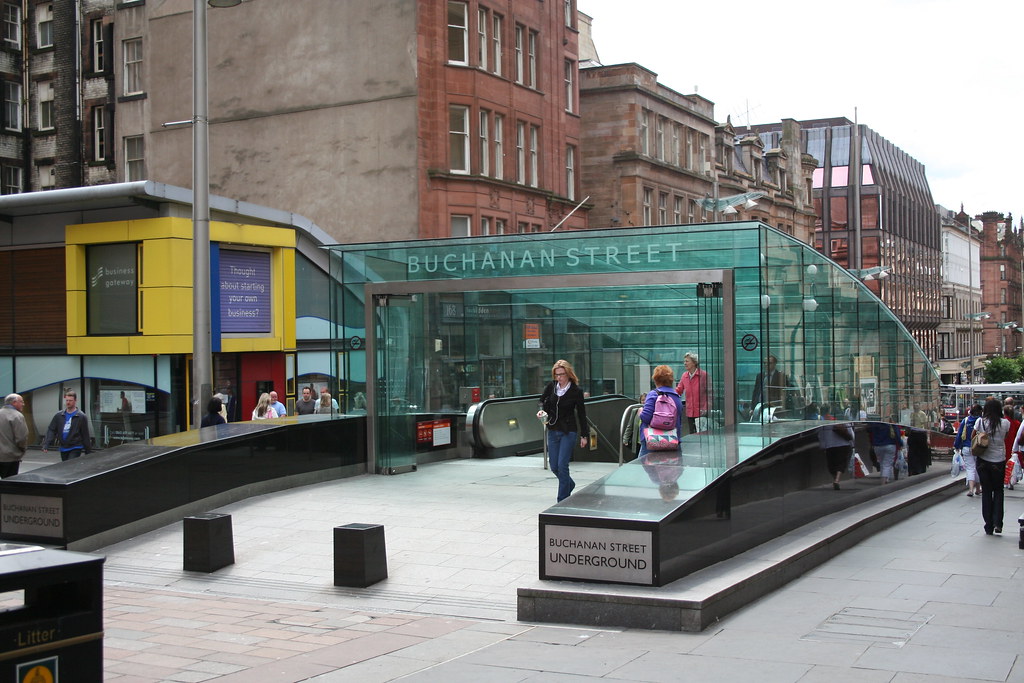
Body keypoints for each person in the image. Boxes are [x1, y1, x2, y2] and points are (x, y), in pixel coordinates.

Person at [537, 360, 588, 502]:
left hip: (568, 430)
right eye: (556, 375)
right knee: (554, 466)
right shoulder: (551, 387)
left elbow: (582, 414)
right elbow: (541, 401)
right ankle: (569, 484)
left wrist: (584, 435)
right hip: (552, 429)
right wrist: (541, 411)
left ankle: (562, 500)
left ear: (568, 374)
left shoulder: (576, 391)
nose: (559, 377)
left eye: (562, 374)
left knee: (562, 465)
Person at [974, 398, 1009, 535]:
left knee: (986, 491)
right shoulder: (1005, 423)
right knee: (999, 491)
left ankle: (988, 525)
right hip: (998, 461)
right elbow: (1004, 438)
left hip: (983, 460)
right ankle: (998, 522)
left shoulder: (980, 422)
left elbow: (973, 436)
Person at [43, 389, 92, 460]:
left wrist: (88, 451)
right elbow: (52, 429)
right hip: (63, 447)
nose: (68, 402)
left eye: (70, 400)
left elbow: (85, 434)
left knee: (70, 465)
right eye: (67, 400)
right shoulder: (59, 415)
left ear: (75, 401)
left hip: (75, 446)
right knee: (65, 467)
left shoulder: (81, 416)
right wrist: (46, 444)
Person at [675, 352, 708, 434]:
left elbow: (710, 393)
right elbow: (679, 390)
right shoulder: (684, 376)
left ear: (694, 363)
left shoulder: (703, 375)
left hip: (701, 412)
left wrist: (706, 407)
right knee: (692, 434)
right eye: (684, 361)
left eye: (687, 361)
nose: (684, 363)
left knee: (702, 434)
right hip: (690, 411)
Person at [954, 404, 983, 496]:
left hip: (967, 447)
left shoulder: (965, 421)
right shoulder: (982, 421)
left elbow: (959, 434)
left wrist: (957, 445)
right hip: (978, 448)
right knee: (978, 468)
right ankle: (978, 489)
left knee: (970, 468)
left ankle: (971, 489)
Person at [820, 421, 854, 490]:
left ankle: (835, 479)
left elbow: (821, 433)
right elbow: (849, 431)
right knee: (841, 463)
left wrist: (823, 445)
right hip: (843, 444)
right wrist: (852, 442)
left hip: (830, 445)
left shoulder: (824, 422)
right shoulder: (841, 419)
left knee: (832, 464)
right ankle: (837, 480)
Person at [0, 394, 28, 478]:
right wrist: (22, 450)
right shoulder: (17, 416)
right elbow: (22, 438)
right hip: (10, 456)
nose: (23, 404)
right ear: (14, 402)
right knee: (9, 483)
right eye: (21, 402)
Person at [868, 419, 900, 485]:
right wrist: (900, 444)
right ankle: (883, 481)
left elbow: (869, 430)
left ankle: (885, 478)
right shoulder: (891, 424)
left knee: (882, 463)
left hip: (878, 446)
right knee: (887, 464)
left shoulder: (875, 424)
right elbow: (897, 435)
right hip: (890, 445)